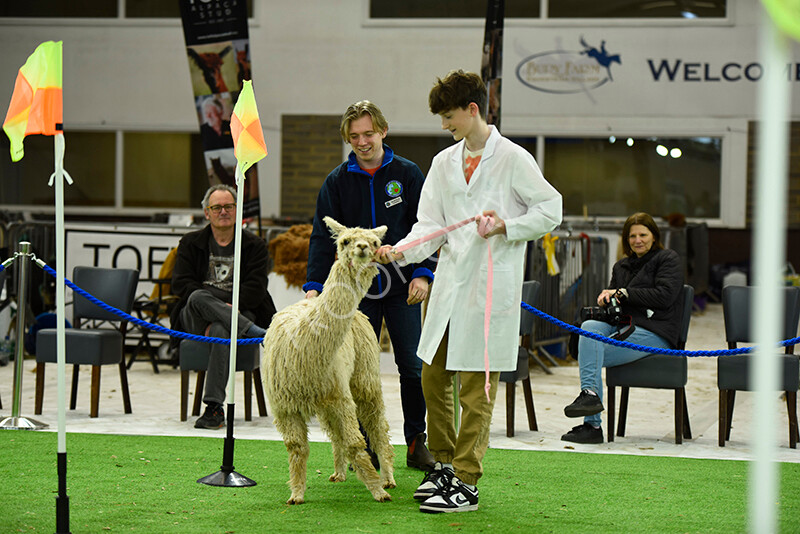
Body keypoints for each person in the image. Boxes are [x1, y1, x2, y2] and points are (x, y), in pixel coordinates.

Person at [377, 70, 562, 513]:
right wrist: (397, 251)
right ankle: (442, 466)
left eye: (448, 116)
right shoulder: (443, 164)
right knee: (433, 376)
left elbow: (550, 209)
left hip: (488, 291)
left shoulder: (514, 158)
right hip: (450, 289)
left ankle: (467, 480)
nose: (444, 125)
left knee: (475, 390)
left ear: (472, 109)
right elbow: (429, 226)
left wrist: (507, 226)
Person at [304, 100, 437, 471]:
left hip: (403, 290)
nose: (362, 142)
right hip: (355, 294)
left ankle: (415, 443)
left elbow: (426, 228)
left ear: (383, 130)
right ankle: (367, 444)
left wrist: (423, 274)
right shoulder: (337, 181)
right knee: (359, 371)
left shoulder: (408, 174)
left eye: (368, 134)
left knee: (411, 366)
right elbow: (320, 236)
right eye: (354, 136)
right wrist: (314, 286)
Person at [561, 212, 684, 444]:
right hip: (623, 325)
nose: (638, 240)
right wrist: (607, 300)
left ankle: (592, 425)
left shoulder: (668, 259)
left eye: (643, 235)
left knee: (590, 352)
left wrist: (624, 293)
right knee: (588, 328)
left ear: (653, 235)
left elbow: (665, 296)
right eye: (632, 236)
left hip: (656, 332)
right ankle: (589, 398)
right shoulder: (621, 266)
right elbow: (617, 299)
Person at [170, 184, 275, 429]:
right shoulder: (189, 242)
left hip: (242, 310)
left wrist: (229, 307)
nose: (223, 212)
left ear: (237, 211)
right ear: (207, 213)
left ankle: (214, 409)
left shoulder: (255, 245)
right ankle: (254, 332)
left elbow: (256, 288)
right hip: (196, 316)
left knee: (220, 329)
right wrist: (222, 302)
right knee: (197, 298)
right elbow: (181, 286)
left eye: (229, 206)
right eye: (216, 207)